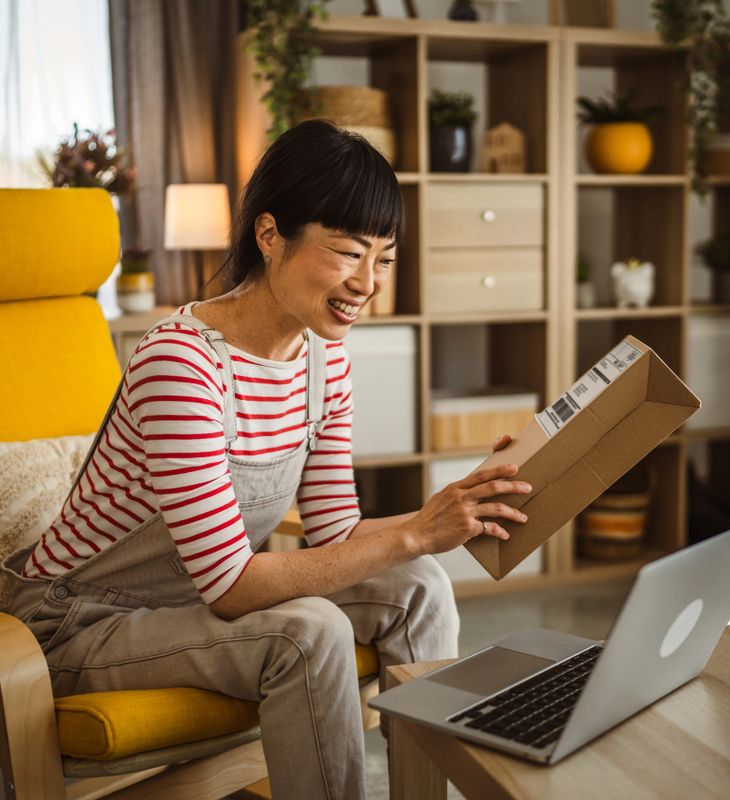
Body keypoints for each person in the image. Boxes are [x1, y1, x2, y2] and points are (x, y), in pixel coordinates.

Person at [3, 119, 532, 800]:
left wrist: (449, 510)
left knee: (421, 584)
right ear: (270, 234)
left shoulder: (323, 356)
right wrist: (414, 531)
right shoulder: (182, 363)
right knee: (305, 633)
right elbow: (232, 586)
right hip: (81, 626)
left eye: (385, 258)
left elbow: (336, 530)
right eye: (347, 253)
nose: (369, 281)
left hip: (194, 605)